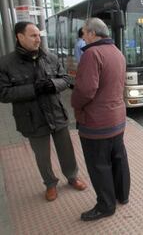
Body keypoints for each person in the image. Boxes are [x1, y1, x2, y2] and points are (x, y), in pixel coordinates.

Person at [0, 21, 87, 202]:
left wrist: (53, 84)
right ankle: (50, 184)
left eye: (39, 35)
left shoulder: (50, 57)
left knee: (66, 150)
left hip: (56, 112)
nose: (38, 39)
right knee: (42, 155)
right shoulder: (6, 63)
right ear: (19, 37)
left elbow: (65, 78)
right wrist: (34, 89)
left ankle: (72, 177)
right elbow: (4, 93)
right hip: (31, 118)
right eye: (33, 35)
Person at [71, 18, 130, 221]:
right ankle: (122, 195)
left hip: (96, 122)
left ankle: (106, 205)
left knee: (99, 164)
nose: (83, 36)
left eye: (84, 32)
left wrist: (75, 104)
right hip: (117, 118)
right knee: (118, 158)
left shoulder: (91, 53)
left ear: (92, 34)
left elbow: (85, 90)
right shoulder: (117, 52)